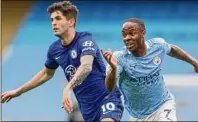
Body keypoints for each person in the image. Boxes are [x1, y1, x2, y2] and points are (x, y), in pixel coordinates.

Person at [1, 1, 124, 121]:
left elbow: (86, 66)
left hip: (107, 98)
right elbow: (46, 73)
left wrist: (68, 88)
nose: (54, 23)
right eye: (52, 20)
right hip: (87, 109)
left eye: (58, 18)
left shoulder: (85, 39)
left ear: (71, 21)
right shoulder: (54, 49)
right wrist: (18, 91)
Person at [102, 18, 198, 121]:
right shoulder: (119, 58)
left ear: (143, 33)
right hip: (137, 116)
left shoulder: (157, 45)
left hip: (163, 106)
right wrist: (113, 68)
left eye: (131, 33)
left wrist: (194, 63)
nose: (127, 38)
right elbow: (109, 87)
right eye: (124, 35)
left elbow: (172, 50)